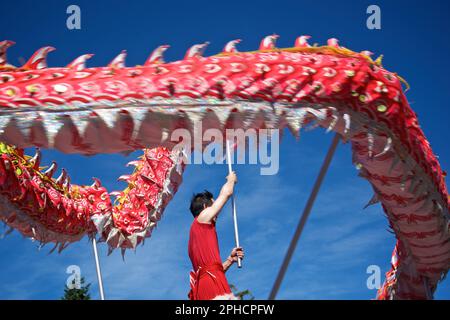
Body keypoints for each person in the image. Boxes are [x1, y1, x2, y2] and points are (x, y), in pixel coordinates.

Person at [187, 171, 245, 300]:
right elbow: (226, 194)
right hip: (212, 284)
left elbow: (211, 270)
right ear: (205, 207)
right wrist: (231, 180)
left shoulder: (196, 234)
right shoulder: (201, 218)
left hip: (206, 284)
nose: (217, 213)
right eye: (213, 205)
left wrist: (230, 260)